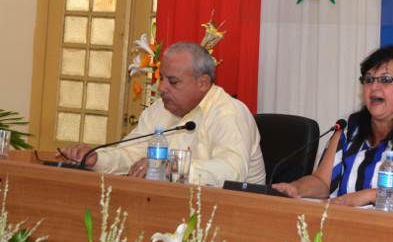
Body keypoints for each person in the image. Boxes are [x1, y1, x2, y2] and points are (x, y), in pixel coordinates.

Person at [273, 45, 393, 215]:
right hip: (347, 231)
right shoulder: (349, 129)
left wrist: (373, 195)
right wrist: (295, 188)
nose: (374, 87)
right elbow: (322, 182)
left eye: (386, 80)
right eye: (369, 79)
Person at [58, 41, 265, 186]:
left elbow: (232, 172)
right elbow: (130, 154)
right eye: (162, 78)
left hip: (230, 218)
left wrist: (170, 168)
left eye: (173, 82)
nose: (162, 88)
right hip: (172, 207)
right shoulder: (160, 110)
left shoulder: (228, 114)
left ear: (203, 83)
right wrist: (95, 159)